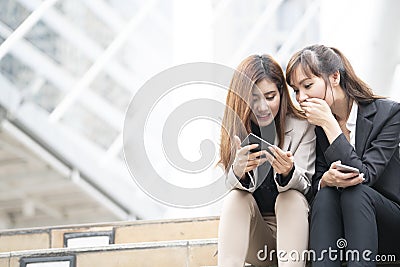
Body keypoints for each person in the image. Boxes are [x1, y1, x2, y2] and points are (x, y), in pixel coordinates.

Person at [285, 44, 400, 266]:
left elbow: (365, 176)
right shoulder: (316, 127)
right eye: (296, 90)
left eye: (307, 85)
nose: (301, 97)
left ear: (335, 77)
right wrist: (324, 181)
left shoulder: (389, 114)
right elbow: (314, 182)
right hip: (344, 231)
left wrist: (331, 125)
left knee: (355, 193)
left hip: (389, 225)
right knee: (326, 195)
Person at [217, 54, 316, 267]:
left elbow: (307, 185)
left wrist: (288, 172)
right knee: (236, 198)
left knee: (289, 197)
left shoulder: (302, 126)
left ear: (281, 93)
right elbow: (228, 185)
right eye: (254, 99)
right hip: (256, 236)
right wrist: (239, 171)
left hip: (296, 233)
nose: (262, 107)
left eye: (270, 97)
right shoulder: (235, 128)